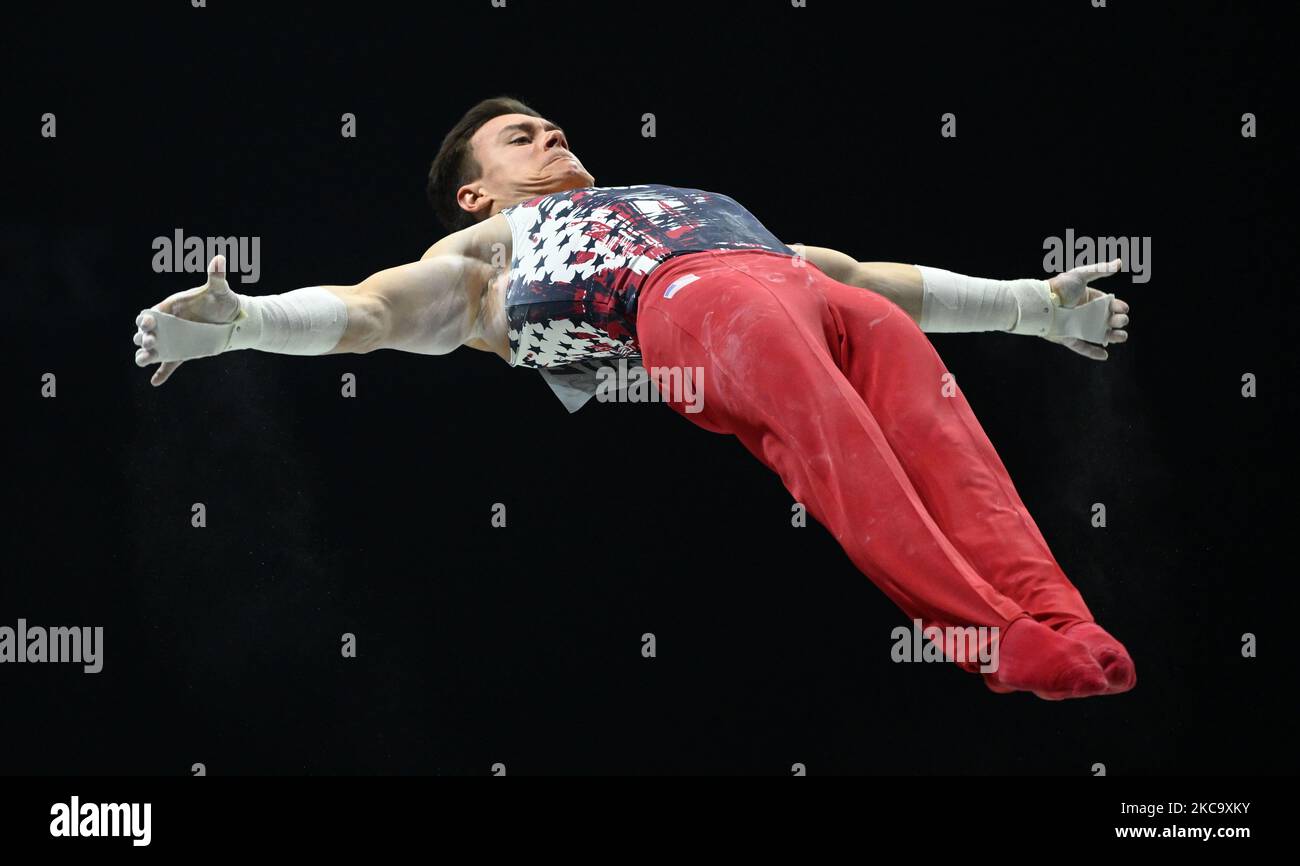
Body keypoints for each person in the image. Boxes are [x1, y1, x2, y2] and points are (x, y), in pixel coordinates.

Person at [133, 96, 1135, 700]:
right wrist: (249, 321)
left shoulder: (679, 200)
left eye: (551, 126)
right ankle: (991, 637)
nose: (551, 136)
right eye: (521, 138)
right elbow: (367, 312)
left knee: (938, 427)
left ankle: (1062, 614)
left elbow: (861, 274)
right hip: (686, 308)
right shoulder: (485, 250)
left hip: (785, 281)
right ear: (476, 193)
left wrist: (1034, 308)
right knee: (841, 448)